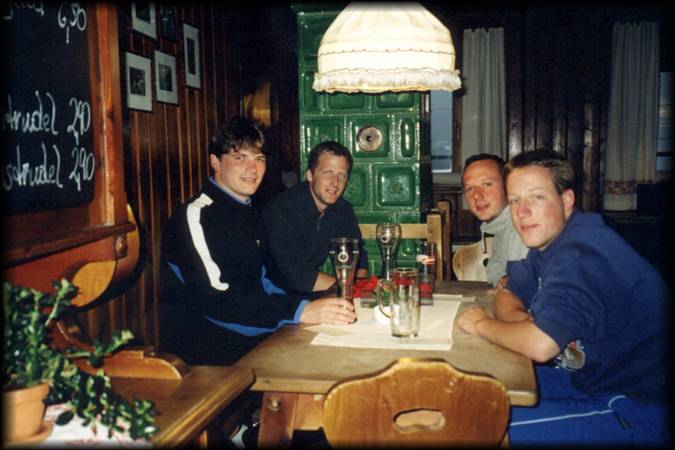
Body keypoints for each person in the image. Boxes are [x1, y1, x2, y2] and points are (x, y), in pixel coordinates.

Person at [457, 149, 669, 446]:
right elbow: (509, 292)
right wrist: (521, 323)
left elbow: (540, 346)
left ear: (566, 201)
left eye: (536, 197)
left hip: (638, 407)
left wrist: (481, 325)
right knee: (471, 393)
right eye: (515, 200)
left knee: (475, 426)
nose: (521, 212)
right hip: (590, 379)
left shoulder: (584, 252)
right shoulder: (550, 244)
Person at [160, 117, 355, 366]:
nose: (252, 169)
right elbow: (218, 302)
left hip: (258, 343)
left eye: (259, 159)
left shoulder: (251, 214)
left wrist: (309, 308)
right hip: (208, 362)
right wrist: (299, 311)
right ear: (215, 162)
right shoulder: (195, 216)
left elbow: (267, 283)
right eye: (240, 157)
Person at [262, 141, 368, 296]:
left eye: (342, 175)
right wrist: (352, 289)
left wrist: (362, 291)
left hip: (303, 294)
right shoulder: (281, 210)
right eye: (327, 173)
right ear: (310, 175)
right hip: (268, 294)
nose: (335, 182)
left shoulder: (342, 209)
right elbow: (297, 275)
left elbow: (357, 257)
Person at [461, 153, 528, 288]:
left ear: (507, 186)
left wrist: (509, 286)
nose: (477, 195)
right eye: (470, 188)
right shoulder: (499, 226)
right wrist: (503, 280)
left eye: (487, 184)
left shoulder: (522, 226)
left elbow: (522, 291)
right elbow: (494, 267)